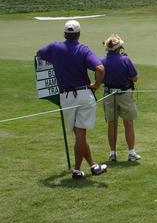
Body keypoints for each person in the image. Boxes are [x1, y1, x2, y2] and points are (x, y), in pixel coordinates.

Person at [36, 20, 108, 179]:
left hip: (65, 97)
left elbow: (39, 53)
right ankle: (78, 169)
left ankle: (91, 167)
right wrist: (96, 85)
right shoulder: (83, 50)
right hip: (83, 94)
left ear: (64, 34)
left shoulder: (54, 47)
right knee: (81, 134)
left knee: (79, 135)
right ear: (78, 34)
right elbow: (100, 68)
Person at [101, 34, 141, 162]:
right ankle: (131, 153)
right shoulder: (125, 60)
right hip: (124, 94)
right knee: (128, 123)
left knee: (112, 124)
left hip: (108, 94)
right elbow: (134, 78)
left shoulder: (102, 61)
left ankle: (112, 153)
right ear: (119, 48)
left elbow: (101, 78)